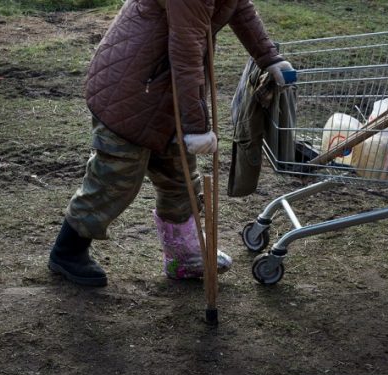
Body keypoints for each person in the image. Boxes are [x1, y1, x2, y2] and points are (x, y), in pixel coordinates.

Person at [48, 0, 293, 286]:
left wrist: (269, 58)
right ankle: (67, 251)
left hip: (165, 86)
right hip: (134, 85)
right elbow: (186, 54)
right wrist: (196, 127)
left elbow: (240, 8)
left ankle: (184, 257)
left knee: (180, 177)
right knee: (115, 177)